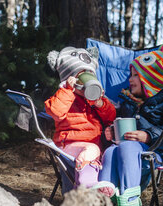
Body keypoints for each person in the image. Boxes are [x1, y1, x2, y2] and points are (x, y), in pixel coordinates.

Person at [98, 44, 163, 206]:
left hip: (153, 156)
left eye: (135, 75)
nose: (129, 79)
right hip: (127, 154)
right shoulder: (131, 100)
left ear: (151, 77)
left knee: (128, 147)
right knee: (111, 151)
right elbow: (122, 126)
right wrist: (111, 132)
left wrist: (148, 136)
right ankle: (103, 205)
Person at [45, 46, 116, 195]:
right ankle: (86, 187)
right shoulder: (65, 95)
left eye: (90, 74)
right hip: (68, 145)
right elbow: (56, 112)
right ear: (70, 79)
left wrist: (100, 103)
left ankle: (101, 190)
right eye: (81, 75)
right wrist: (68, 90)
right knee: (92, 150)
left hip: (93, 148)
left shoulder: (95, 100)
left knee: (108, 153)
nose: (86, 79)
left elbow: (111, 117)